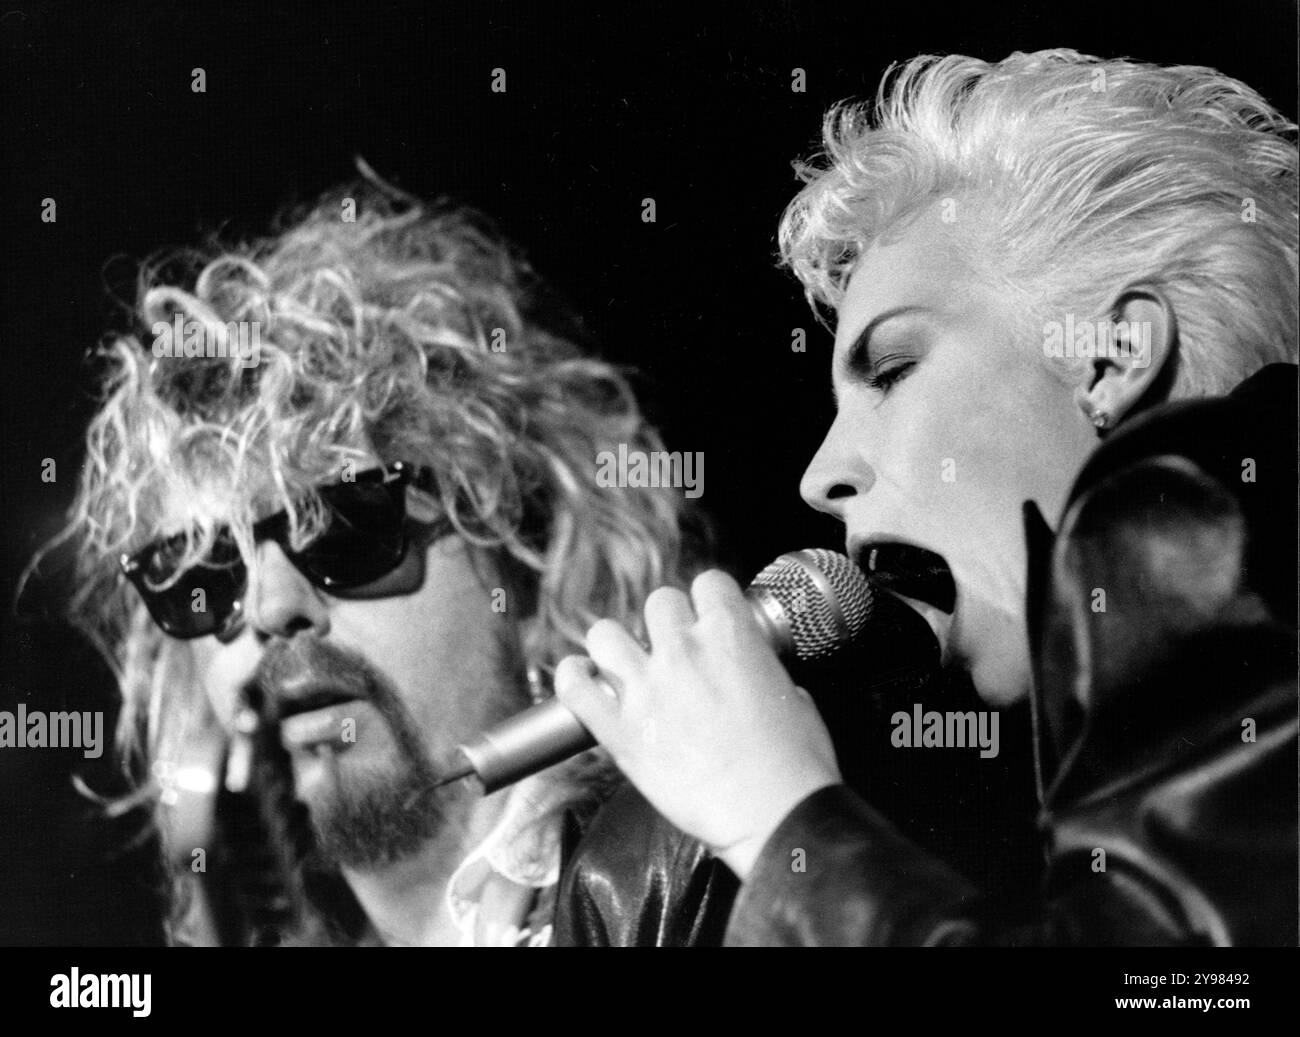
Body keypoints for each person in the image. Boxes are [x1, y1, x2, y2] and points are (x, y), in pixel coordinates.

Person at [554, 50, 1298, 945]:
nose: (820, 476)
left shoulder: (1187, 519)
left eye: (894, 368)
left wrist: (774, 817)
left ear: (1113, 358)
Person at [41, 178, 735, 946]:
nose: (272, 607)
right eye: (205, 573)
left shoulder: (703, 874)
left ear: (523, 554)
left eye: (343, 527)